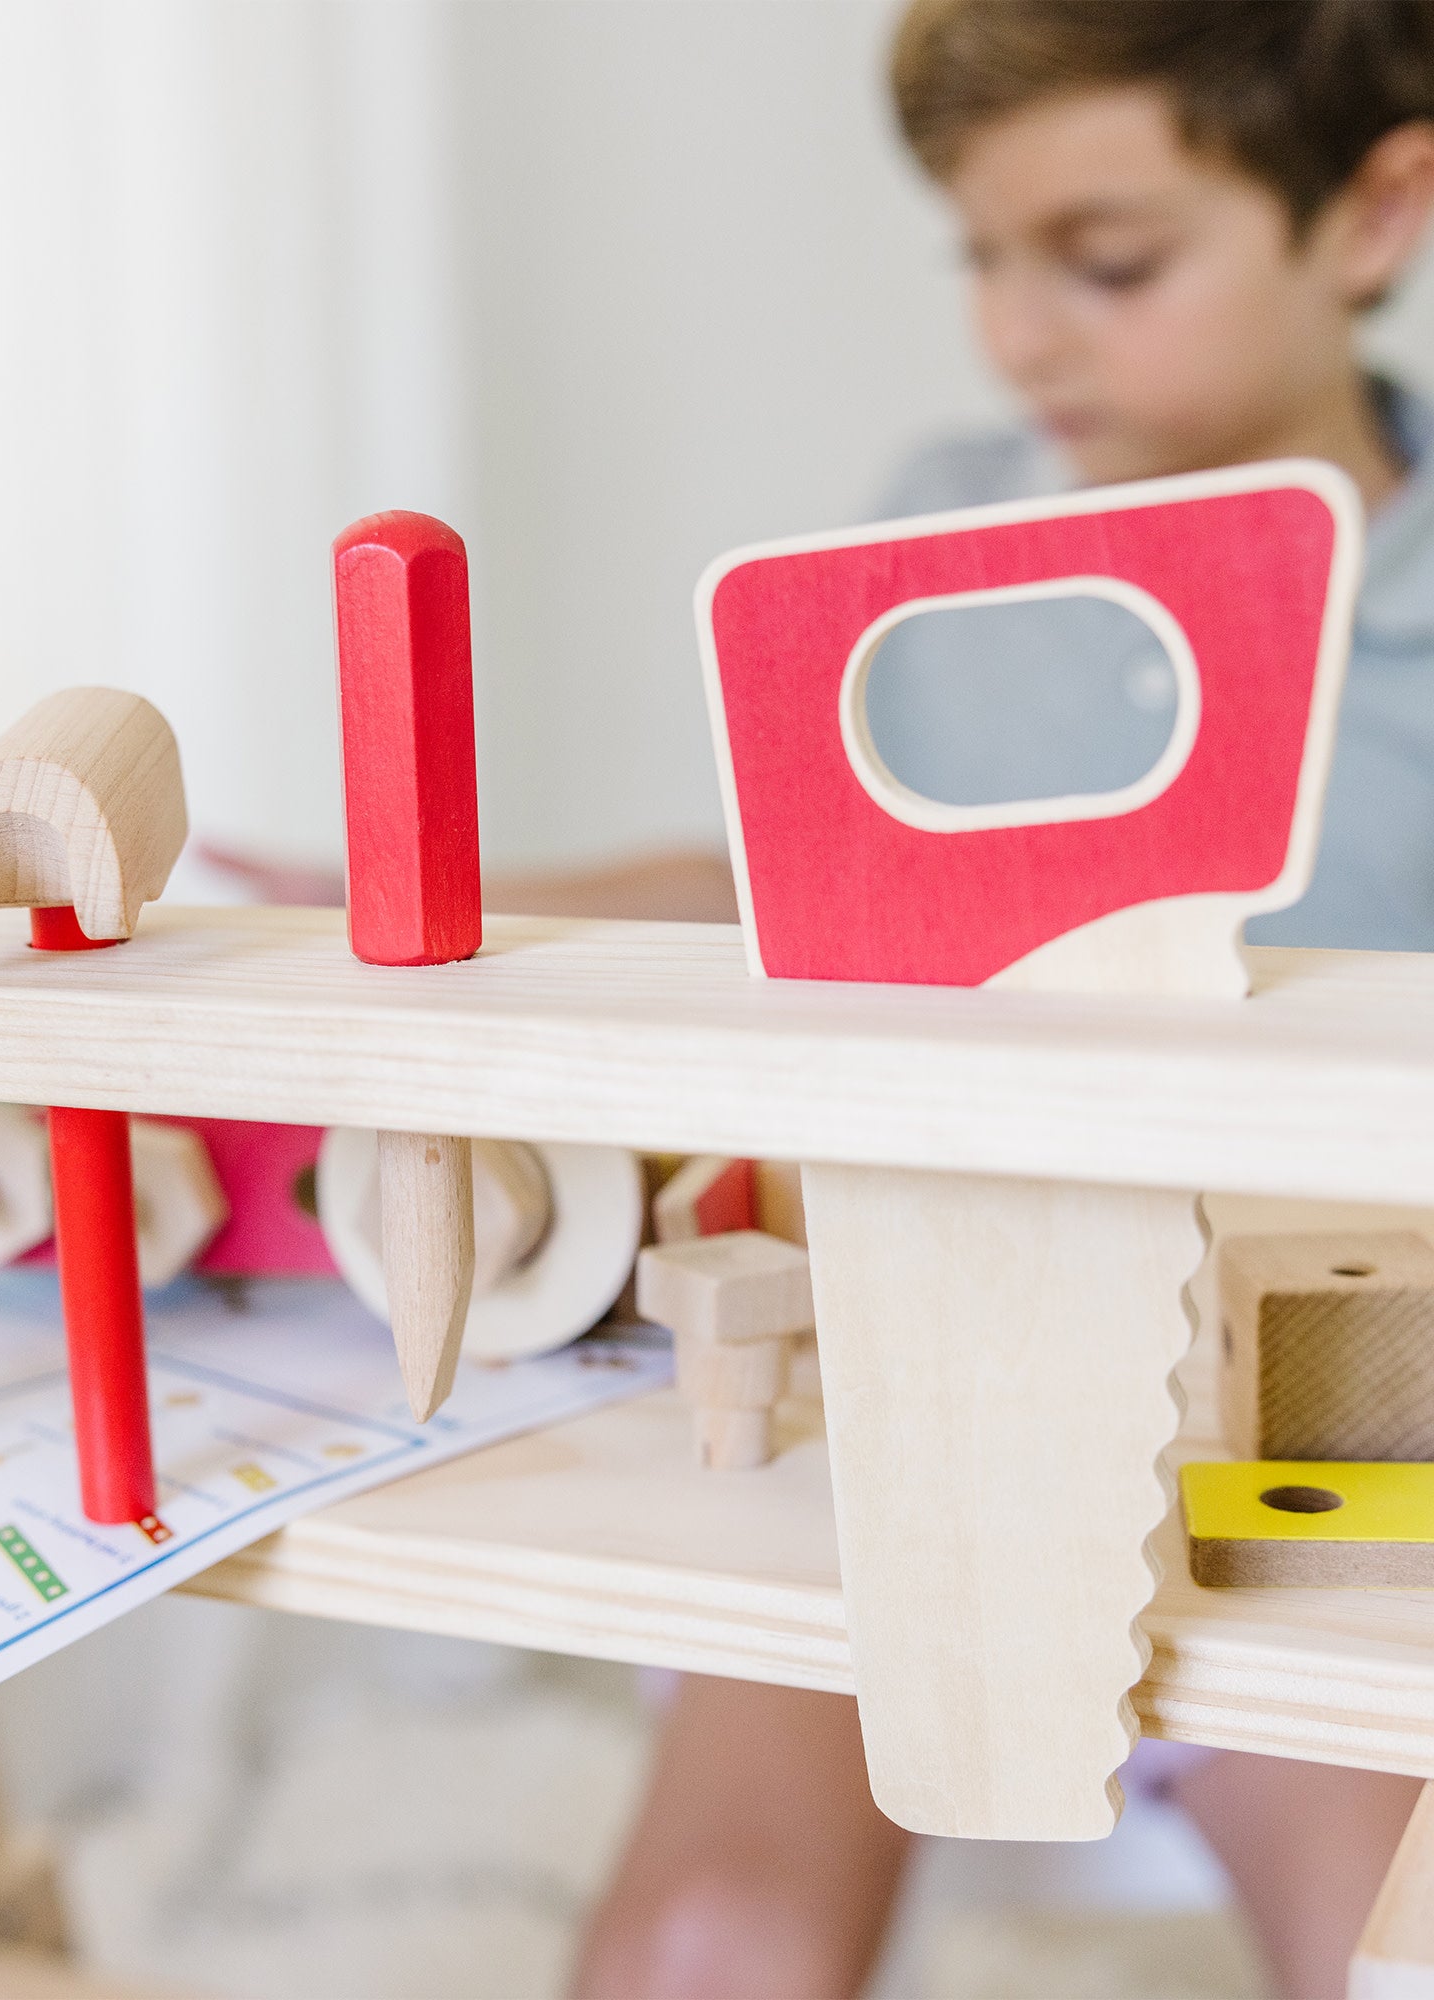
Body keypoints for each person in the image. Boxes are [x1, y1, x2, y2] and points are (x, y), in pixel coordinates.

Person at [571, 4, 1434, 1997]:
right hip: (923, 1413)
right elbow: (775, 893)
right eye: (977, 254)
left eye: (1106, 264)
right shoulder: (933, 535)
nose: (1017, 336)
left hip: (1342, 1447)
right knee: (706, 1939)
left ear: (1375, 210)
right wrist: (402, 898)